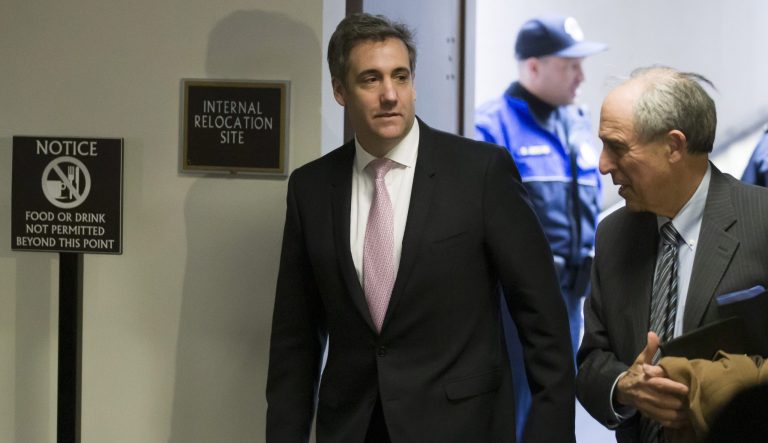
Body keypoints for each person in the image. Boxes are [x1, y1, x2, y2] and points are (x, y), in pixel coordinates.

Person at [266, 12, 575, 443]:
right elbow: (294, 340)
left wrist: (550, 431)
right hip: (353, 427)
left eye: (401, 76)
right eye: (370, 80)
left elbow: (543, 318)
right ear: (340, 91)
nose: (390, 95)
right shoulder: (311, 187)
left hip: (460, 427)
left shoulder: (481, 173)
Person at [576, 66, 768, 442]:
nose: (602, 165)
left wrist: (713, 389)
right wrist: (624, 387)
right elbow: (591, 361)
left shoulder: (760, 221)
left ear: (674, 146)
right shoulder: (612, 236)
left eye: (616, 146)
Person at [474, 15, 606, 436]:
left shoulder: (578, 126)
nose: (581, 75)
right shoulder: (490, 127)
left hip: (571, 299)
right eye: (570, 65)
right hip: (514, 306)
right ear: (533, 66)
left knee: (556, 409)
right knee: (515, 408)